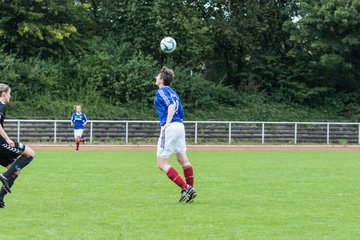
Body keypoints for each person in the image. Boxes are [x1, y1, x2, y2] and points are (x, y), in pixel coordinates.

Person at [154, 66, 197, 203]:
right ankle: (190, 190)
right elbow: (180, 110)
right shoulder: (173, 92)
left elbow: (171, 106)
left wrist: (166, 124)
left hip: (171, 127)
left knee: (161, 163)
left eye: (157, 76)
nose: (156, 78)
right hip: (179, 125)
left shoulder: (161, 92)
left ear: (161, 80)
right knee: (183, 160)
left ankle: (186, 188)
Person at [0, 84, 36, 208]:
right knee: (30, 154)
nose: (10, 96)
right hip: (1, 144)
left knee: (15, 170)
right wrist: (7, 138)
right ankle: (4, 175)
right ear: (4, 94)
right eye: (9, 93)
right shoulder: (1, 105)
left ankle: (0, 199)